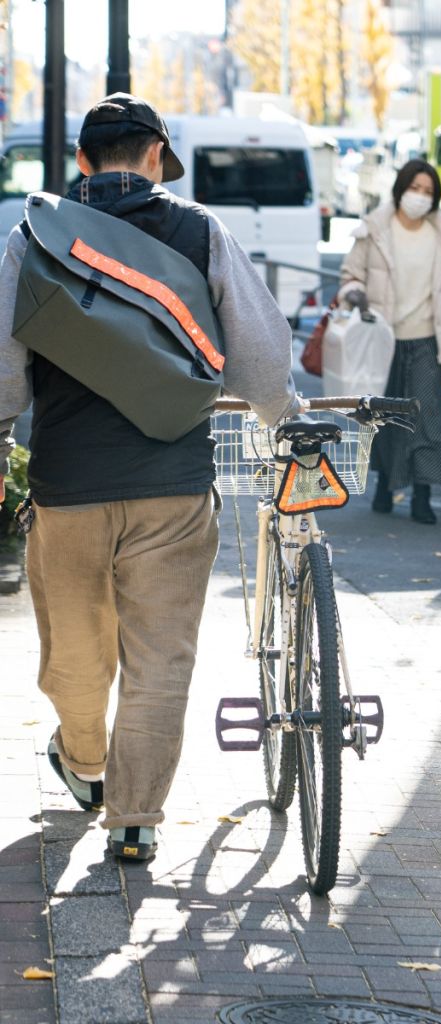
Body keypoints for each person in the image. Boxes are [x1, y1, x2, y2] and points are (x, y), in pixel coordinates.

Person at [0, 93, 302, 862]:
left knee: (75, 651)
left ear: (80, 162)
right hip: (173, 479)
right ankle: (136, 818)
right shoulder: (201, 231)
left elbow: (4, 372)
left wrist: (5, 442)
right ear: (159, 156)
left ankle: (86, 764)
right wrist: (284, 417)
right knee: (162, 656)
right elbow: (262, 364)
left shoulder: (33, 235)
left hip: (68, 488)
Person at [337, 159, 441, 525]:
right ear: (400, 189)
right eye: (415, 188)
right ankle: (384, 485)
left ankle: (422, 496)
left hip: (428, 342)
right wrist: (355, 295)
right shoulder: (374, 231)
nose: (420, 197)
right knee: (382, 419)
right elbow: (350, 276)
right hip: (382, 342)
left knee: (427, 420)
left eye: (429, 192)